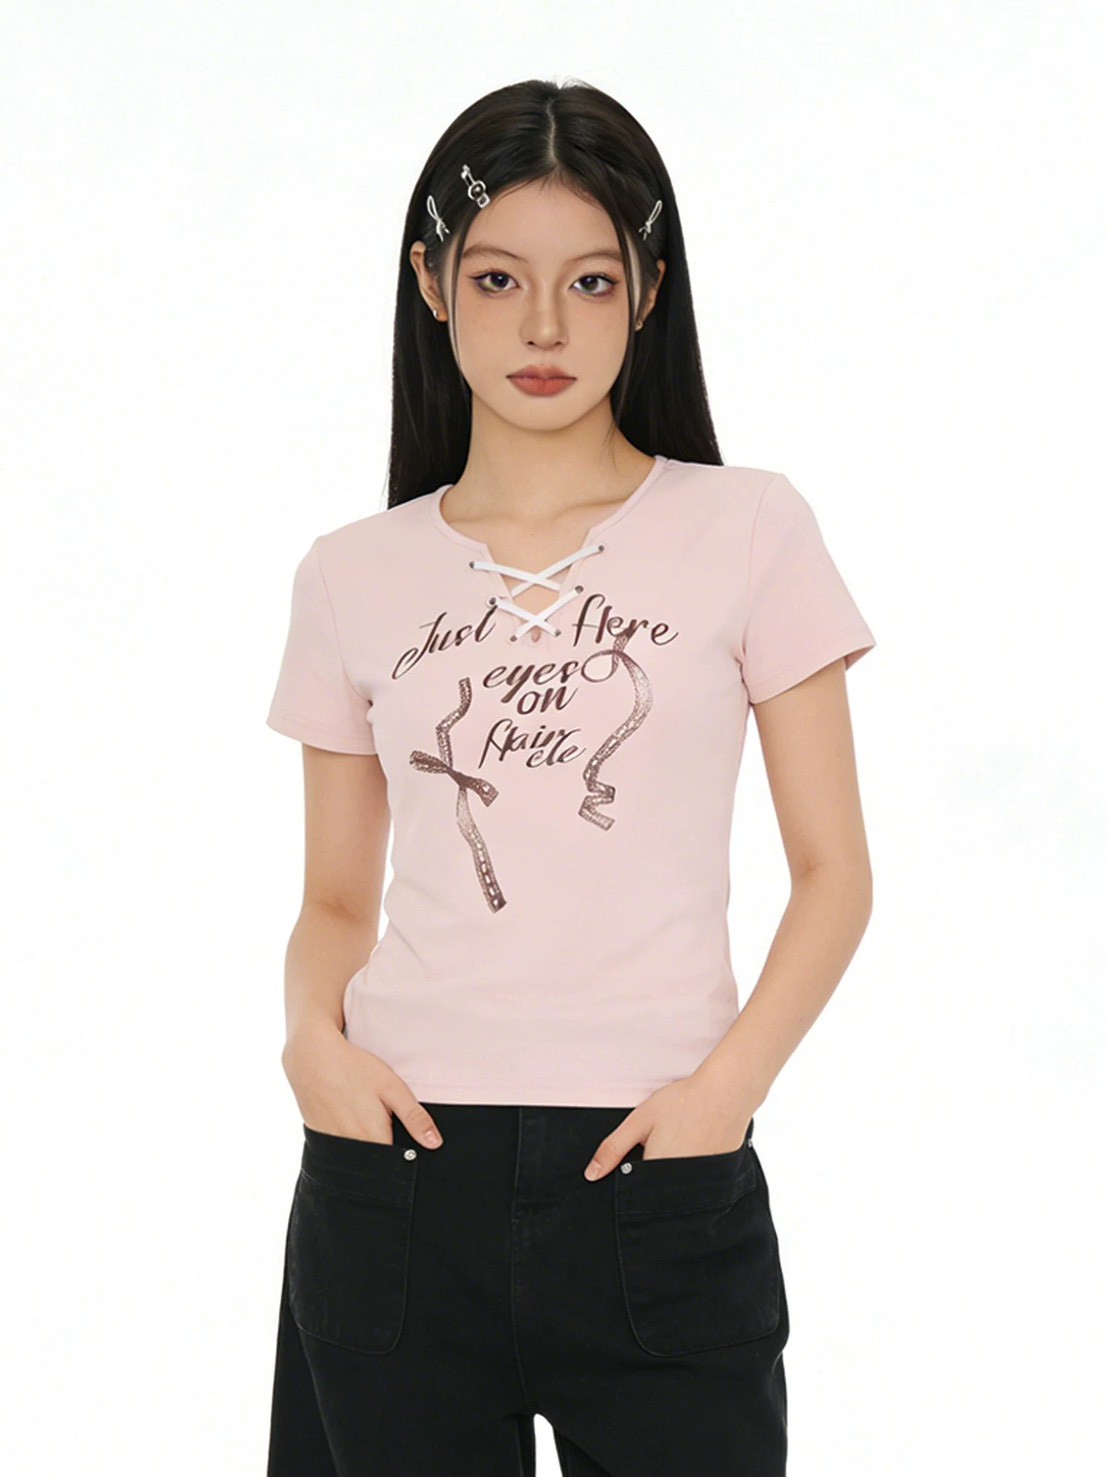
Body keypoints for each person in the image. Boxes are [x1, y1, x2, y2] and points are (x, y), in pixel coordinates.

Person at [264, 77, 875, 1477]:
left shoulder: (749, 529)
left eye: (591, 280)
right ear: (433, 283)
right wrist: (310, 1045)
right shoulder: (351, 573)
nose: (545, 327)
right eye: (498, 279)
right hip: (395, 1178)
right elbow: (336, 899)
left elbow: (835, 872)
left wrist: (723, 1096)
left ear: (648, 291)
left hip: (663, 1177)